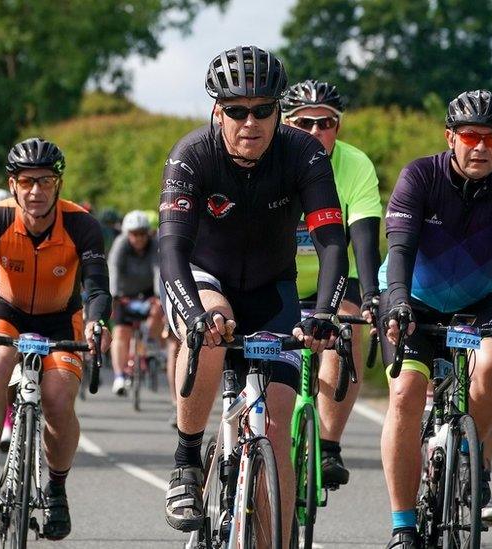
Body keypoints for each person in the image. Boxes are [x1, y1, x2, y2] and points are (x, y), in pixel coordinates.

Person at [160, 46, 348, 547]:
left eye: (263, 109)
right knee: (214, 329)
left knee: (279, 423)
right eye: (237, 110)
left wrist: (324, 314)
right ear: (217, 111)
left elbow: (332, 242)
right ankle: (186, 460)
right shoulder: (192, 154)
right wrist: (194, 315)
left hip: (272, 288)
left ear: (277, 112)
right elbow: (172, 248)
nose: (251, 122)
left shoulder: (303, 153)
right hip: (204, 276)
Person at [378, 90, 492, 547]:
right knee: (407, 394)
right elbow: (400, 248)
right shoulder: (420, 175)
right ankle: (403, 525)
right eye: (471, 136)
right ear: (450, 137)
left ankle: (473, 458)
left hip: (477, 301)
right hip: (413, 297)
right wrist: (396, 301)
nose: (480, 147)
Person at [0, 137, 112, 541]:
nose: (36, 191)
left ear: (58, 184)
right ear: (13, 184)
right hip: (5, 309)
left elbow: (96, 289)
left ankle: (57, 490)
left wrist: (97, 324)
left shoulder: (82, 224)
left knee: (59, 401)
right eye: (27, 182)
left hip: (62, 317)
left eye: (45, 181)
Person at [281, 79, 383, 488]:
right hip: (280, 276)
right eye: (304, 123)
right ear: (286, 124)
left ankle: (329, 443)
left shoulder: (354, 164)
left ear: (337, 126)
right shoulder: (272, 161)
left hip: (334, 275)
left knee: (346, 325)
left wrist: (374, 294)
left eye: (326, 123)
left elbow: (363, 237)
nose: (315, 132)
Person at [107, 210, 162, 396]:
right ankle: (119, 376)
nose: (138, 238)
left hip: (146, 291)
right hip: (124, 292)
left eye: (142, 233)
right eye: (133, 234)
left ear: (147, 233)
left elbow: (158, 270)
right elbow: (113, 269)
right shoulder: (120, 244)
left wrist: (158, 295)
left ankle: (147, 343)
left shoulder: (154, 245)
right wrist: (114, 295)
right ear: (127, 234)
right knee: (121, 332)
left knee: (158, 310)